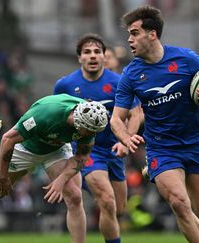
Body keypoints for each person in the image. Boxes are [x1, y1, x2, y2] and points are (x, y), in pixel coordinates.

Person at [110, 5, 199, 243]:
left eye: (134, 33)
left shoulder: (187, 60)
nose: (129, 39)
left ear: (151, 34)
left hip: (195, 143)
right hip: (161, 147)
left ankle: (155, 172)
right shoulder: (131, 75)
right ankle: (157, 168)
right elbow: (116, 118)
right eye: (129, 34)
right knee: (179, 203)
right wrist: (125, 137)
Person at [0, 94, 109, 243]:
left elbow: (81, 157)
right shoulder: (45, 114)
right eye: (89, 132)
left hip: (56, 149)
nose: (92, 135)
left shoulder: (90, 118)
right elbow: (8, 139)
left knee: (75, 197)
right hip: (26, 147)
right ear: (79, 123)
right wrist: (2, 175)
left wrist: (61, 180)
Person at [53, 33, 143, 243]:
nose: (92, 56)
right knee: (107, 199)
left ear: (105, 57)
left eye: (97, 52)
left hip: (115, 151)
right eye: (87, 52)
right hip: (87, 152)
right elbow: (57, 116)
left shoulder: (119, 82)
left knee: (118, 209)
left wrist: (126, 140)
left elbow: (136, 113)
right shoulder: (65, 86)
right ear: (79, 58)